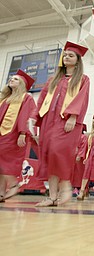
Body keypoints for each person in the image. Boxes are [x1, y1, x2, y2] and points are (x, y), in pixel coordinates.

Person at [32, 41, 90, 207]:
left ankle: (65, 185)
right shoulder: (53, 79)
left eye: (71, 55)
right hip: (49, 121)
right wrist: (34, 118)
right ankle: (51, 197)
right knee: (50, 155)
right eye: (65, 55)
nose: (66, 58)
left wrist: (73, 117)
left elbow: (82, 99)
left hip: (67, 122)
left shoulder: (83, 79)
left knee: (59, 153)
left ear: (78, 60)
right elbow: (42, 100)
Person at [0, 70, 36, 202]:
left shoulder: (26, 97)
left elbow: (28, 114)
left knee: (7, 163)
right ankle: (1, 193)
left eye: (15, 79)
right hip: (2, 135)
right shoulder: (4, 99)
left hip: (14, 135)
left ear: (21, 84)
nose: (11, 80)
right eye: (11, 78)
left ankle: (14, 184)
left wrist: (23, 133)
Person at [71, 124, 87, 196]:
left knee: (79, 173)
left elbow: (83, 147)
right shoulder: (73, 136)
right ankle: (73, 188)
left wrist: (79, 155)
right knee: (73, 173)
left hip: (79, 159)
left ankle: (79, 188)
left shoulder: (83, 137)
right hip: (72, 157)